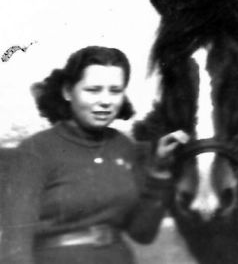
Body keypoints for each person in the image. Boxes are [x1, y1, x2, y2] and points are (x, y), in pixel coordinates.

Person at [0, 46, 189, 264]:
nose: (106, 101)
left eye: (115, 91)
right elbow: (14, 248)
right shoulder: (35, 150)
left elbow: (142, 233)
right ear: (68, 91)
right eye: (93, 90)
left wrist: (159, 172)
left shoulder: (122, 146)